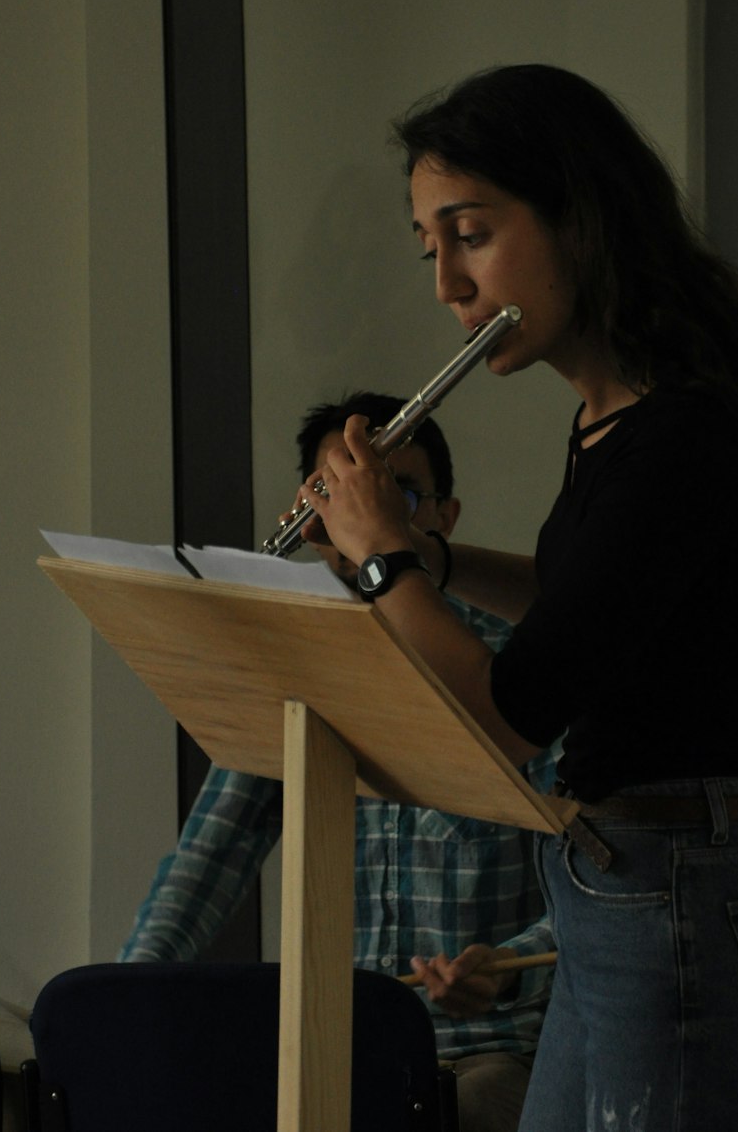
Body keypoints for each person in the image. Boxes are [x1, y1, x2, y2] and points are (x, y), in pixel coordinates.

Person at [297, 65, 738, 1132]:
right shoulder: (620, 418)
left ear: (579, 215)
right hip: (632, 889)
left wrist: (386, 563)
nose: (448, 288)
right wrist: (427, 551)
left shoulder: (685, 433)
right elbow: (584, 613)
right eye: (431, 246)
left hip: (688, 901)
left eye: (469, 232)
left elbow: (508, 711)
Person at [119, 391, 559, 1132]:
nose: (357, 523)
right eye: (334, 496)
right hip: (335, 1050)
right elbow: (207, 862)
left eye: (395, 496)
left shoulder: (509, 665)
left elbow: (596, 875)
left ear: (444, 520)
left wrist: (504, 969)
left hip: (487, 1052)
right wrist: (115, 1000)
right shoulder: (295, 665)